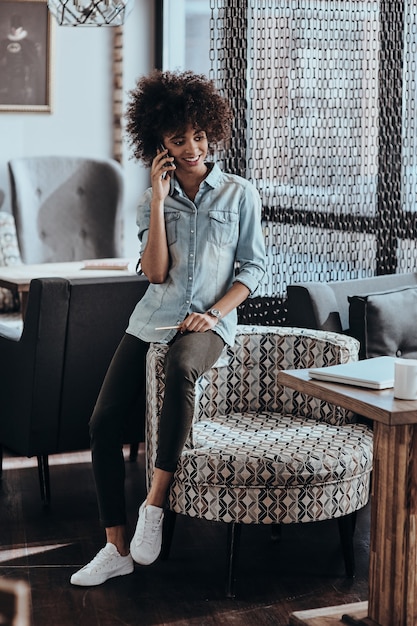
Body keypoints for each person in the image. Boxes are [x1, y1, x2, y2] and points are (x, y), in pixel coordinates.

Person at [70, 69, 266, 587]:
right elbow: (155, 273)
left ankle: (153, 507)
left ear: (210, 132)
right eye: (179, 139)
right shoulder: (149, 200)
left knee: (181, 368)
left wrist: (215, 313)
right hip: (151, 318)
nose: (193, 147)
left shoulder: (240, 194)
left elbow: (253, 270)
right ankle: (115, 546)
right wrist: (158, 203)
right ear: (160, 143)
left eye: (199, 135)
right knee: (102, 422)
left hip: (209, 322)